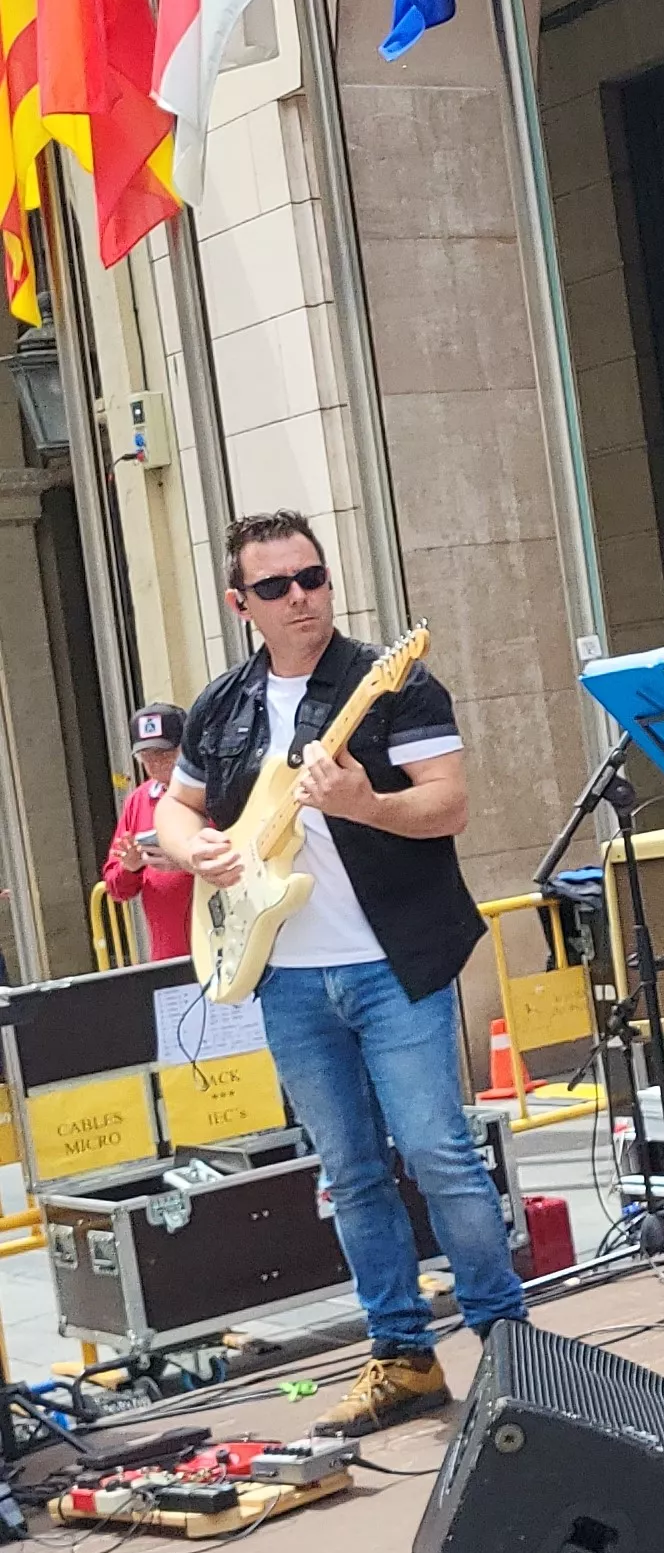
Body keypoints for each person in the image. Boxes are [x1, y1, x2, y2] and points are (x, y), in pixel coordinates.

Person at [157, 515, 527, 1437]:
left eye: (312, 577)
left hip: (391, 964)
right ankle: (400, 1354)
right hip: (287, 973)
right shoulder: (225, 704)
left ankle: (513, 1349)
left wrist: (364, 801)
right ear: (241, 603)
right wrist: (193, 846)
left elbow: (449, 805)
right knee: (352, 1172)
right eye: (276, 586)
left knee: (440, 1152)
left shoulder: (393, 683)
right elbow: (176, 803)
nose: (302, 598)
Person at [103, 703, 195, 962]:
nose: (155, 764)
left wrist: (186, 862)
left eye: (163, 754)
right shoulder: (138, 801)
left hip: (224, 943)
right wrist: (129, 867)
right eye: (146, 757)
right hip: (168, 953)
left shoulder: (214, 791)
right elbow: (115, 887)